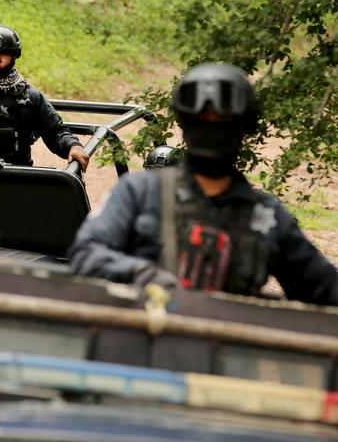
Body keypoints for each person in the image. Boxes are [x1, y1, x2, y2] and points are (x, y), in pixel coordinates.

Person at [69, 63, 338, 306]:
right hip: (139, 348)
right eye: (202, 120)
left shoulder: (266, 218)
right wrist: (139, 273)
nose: (212, 129)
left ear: (243, 128)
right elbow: (86, 254)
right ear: (186, 124)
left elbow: (325, 288)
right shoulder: (139, 192)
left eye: (223, 122)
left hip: (227, 351)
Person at [0, 25, 89, 170]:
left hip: (19, 177)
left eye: (4, 53)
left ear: (13, 56)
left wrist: (73, 146)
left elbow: (55, 131)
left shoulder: (30, 97)